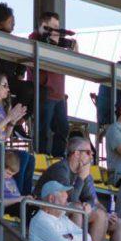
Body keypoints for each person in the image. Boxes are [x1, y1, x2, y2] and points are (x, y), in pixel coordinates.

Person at [34, 136, 121, 241]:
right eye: (88, 152)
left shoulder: (83, 171)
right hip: (46, 210)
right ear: (76, 154)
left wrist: (89, 206)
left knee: (111, 219)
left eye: (92, 153)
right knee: (78, 208)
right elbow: (69, 199)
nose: (92, 156)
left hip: (64, 210)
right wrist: (81, 178)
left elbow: (92, 199)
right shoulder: (61, 169)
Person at [28, 10, 74, 156]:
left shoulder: (57, 44)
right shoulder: (35, 39)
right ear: (43, 26)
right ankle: (40, 158)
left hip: (59, 95)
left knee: (63, 129)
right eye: (53, 28)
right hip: (45, 92)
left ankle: (57, 158)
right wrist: (45, 38)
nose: (57, 32)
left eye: (58, 28)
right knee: (42, 128)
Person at [28, 180, 94, 241]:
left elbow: (88, 239)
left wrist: (70, 237)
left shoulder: (63, 219)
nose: (67, 203)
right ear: (51, 199)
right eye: (64, 199)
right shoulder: (40, 220)